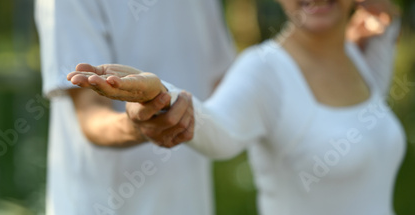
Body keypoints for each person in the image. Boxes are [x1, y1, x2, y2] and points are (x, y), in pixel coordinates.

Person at [68, 0, 405, 214]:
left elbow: (388, 22)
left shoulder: (361, 59)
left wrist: (386, 15)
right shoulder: (264, 70)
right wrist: (160, 95)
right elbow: (216, 128)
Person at [34, 0, 236, 214]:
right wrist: (140, 125)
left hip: (190, 202)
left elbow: (222, 91)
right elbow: (91, 116)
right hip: (102, 205)